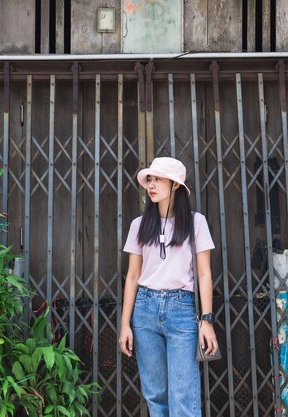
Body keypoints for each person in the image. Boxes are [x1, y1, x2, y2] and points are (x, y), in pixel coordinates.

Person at [119, 157, 218, 417]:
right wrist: (124, 324)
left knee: (182, 394)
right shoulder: (138, 225)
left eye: (157, 179)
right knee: (155, 394)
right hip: (144, 309)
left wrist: (207, 320)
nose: (150, 185)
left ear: (175, 185)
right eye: (149, 179)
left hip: (181, 309)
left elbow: (205, 274)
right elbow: (132, 276)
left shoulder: (196, 223)